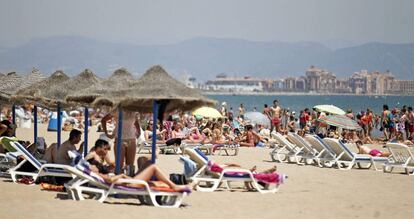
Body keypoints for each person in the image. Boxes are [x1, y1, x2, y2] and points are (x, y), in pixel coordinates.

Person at [102, 110, 140, 175]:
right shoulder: (117, 111)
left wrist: (139, 131)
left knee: (130, 166)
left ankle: (128, 183)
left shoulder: (134, 111)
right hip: (119, 139)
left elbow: (136, 122)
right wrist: (107, 133)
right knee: (119, 165)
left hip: (131, 139)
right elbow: (103, 120)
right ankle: (118, 183)